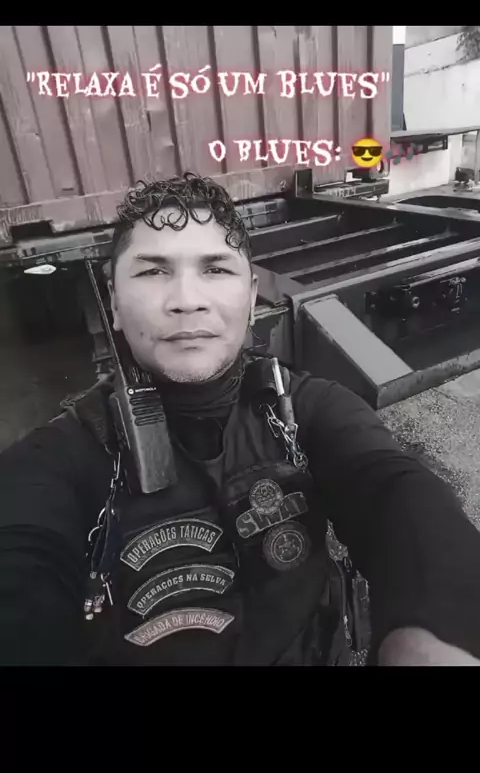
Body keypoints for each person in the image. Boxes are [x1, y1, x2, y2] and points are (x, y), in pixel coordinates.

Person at [1, 172, 480, 667]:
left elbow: (396, 494)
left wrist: (431, 640)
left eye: (215, 269)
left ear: (251, 299)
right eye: (152, 271)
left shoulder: (308, 410)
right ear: (114, 304)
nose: (187, 299)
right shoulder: (62, 459)